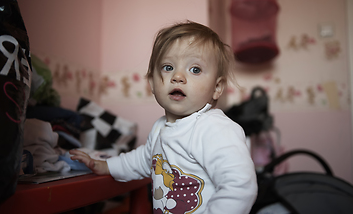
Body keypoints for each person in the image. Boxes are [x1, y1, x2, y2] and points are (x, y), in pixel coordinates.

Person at [70, 20, 257, 213]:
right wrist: (105, 166)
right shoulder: (160, 127)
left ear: (217, 88)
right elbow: (142, 160)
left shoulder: (215, 129)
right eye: (168, 67)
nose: (178, 76)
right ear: (152, 82)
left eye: (195, 70)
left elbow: (240, 186)